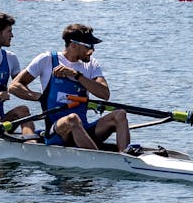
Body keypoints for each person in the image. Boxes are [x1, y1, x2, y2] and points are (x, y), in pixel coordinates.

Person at [9, 23, 136, 153]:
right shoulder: (47, 59)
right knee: (73, 118)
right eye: (89, 46)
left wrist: (76, 75)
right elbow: (14, 86)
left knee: (120, 114)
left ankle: (125, 155)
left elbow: (104, 94)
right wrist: (41, 97)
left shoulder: (91, 65)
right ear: (73, 45)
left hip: (83, 129)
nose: (92, 51)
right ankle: (96, 159)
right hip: (57, 132)